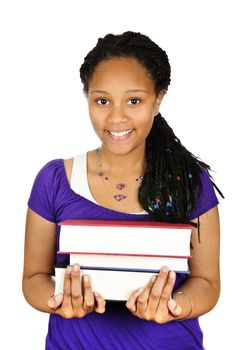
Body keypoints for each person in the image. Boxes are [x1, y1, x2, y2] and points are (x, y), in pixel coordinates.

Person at [22, 31, 223, 350]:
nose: (116, 117)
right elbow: (34, 277)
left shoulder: (189, 181)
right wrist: (59, 299)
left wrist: (174, 306)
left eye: (134, 100)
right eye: (102, 100)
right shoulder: (55, 180)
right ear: (86, 97)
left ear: (157, 100)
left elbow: (208, 283)